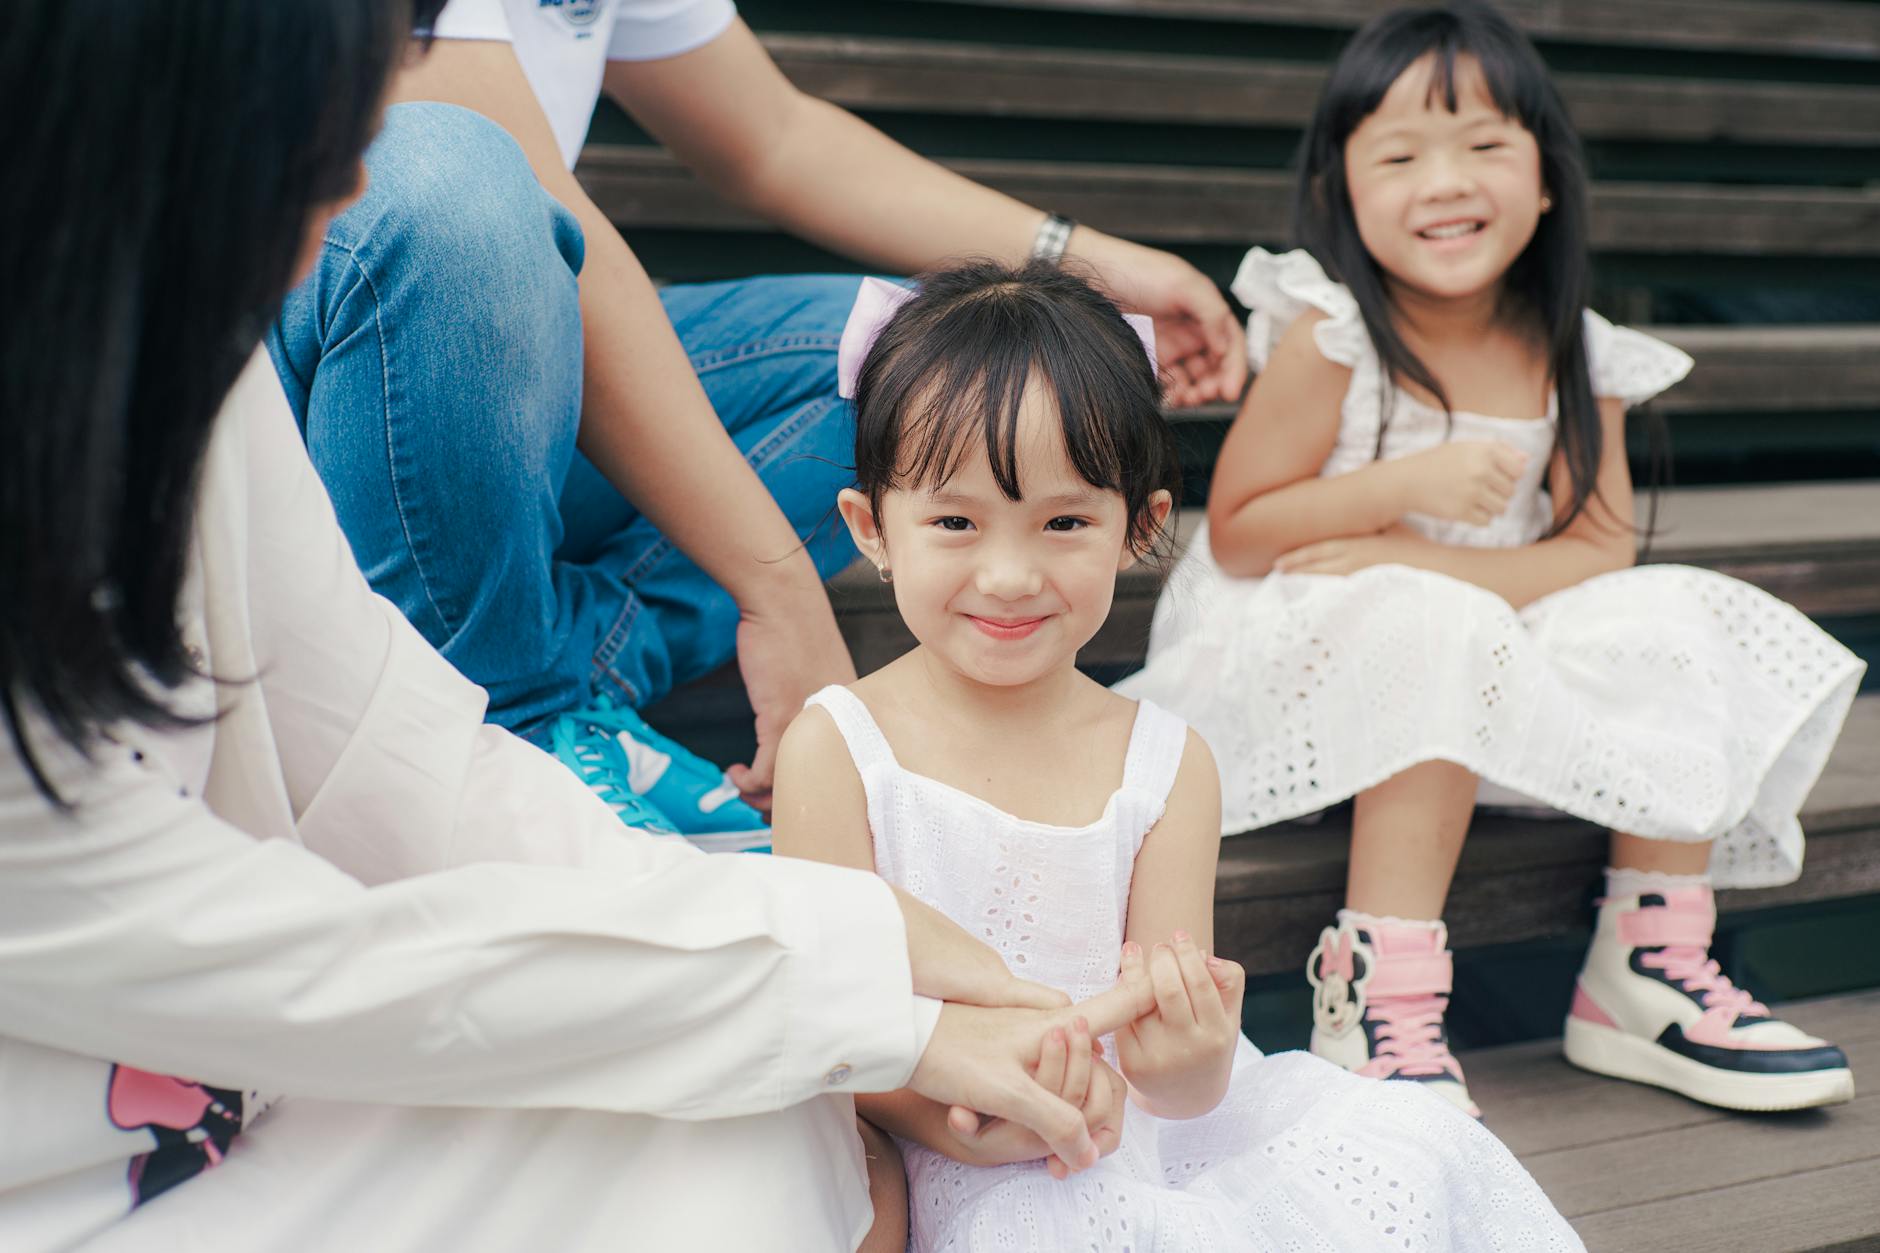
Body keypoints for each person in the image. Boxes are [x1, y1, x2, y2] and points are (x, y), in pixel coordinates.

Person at [0, 4, 1167, 1249]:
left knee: (770, 1129)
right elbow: (299, 965)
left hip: (250, 1075)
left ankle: (569, 684)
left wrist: (859, 941)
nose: (348, 171)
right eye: (312, 123)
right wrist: (860, 996)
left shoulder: (193, 373)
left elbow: (398, 752)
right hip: (78, 1160)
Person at [1118, 3, 1865, 1117]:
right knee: (1434, 624)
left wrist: (1428, 568)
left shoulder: (1575, 348)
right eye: (1402, 151)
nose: (1444, 180)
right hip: (1297, 659)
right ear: (1342, 189)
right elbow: (1239, 526)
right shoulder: (1331, 329)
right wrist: (1398, 495)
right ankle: (1376, 992)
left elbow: (1602, 543)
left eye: (1482, 145)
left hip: (1474, 642)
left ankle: (1645, 964)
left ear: (1546, 177)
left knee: (1673, 609)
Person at [268, 0, 1248, 848]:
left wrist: (1086, 263)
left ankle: (569, 689)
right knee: (461, 186)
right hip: (286, 395)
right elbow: (508, 210)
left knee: (909, 368)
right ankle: (506, 725)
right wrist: (774, 586)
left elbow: (772, 136)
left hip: (486, 379)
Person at [773, 262, 1583, 1251]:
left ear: (1138, 529)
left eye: (1064, 521)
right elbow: (824, 1021)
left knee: (1411, 1152)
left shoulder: (1161, 761)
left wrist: (1186, 1058)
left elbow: (1174, 1056)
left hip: (1140, 1135)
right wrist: (954, 1111)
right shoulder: (839, 746)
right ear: (873, 529)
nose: (1008, 573)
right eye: (954, 520)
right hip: (952, 1143)